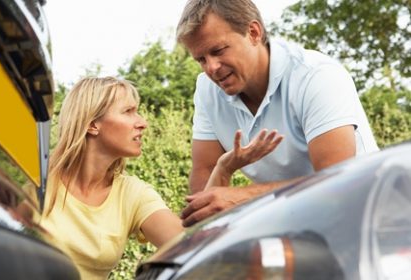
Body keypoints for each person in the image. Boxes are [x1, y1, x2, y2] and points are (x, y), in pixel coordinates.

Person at [176, 0, 379, 227]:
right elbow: (205, 172)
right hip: (292, 224)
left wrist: (245, 199)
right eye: (201, 59)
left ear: (253, 32)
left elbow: (334, 183)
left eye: (218, 51)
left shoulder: (317, 76)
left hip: (366, 217)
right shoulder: (206, 88)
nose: (211, 68)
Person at [40, 77, 183, 280]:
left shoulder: (133, 194)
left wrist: (220, 174)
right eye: (128, 112)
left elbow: (191, 248)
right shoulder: (38, 185)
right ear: (92, 125)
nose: (143, 123)